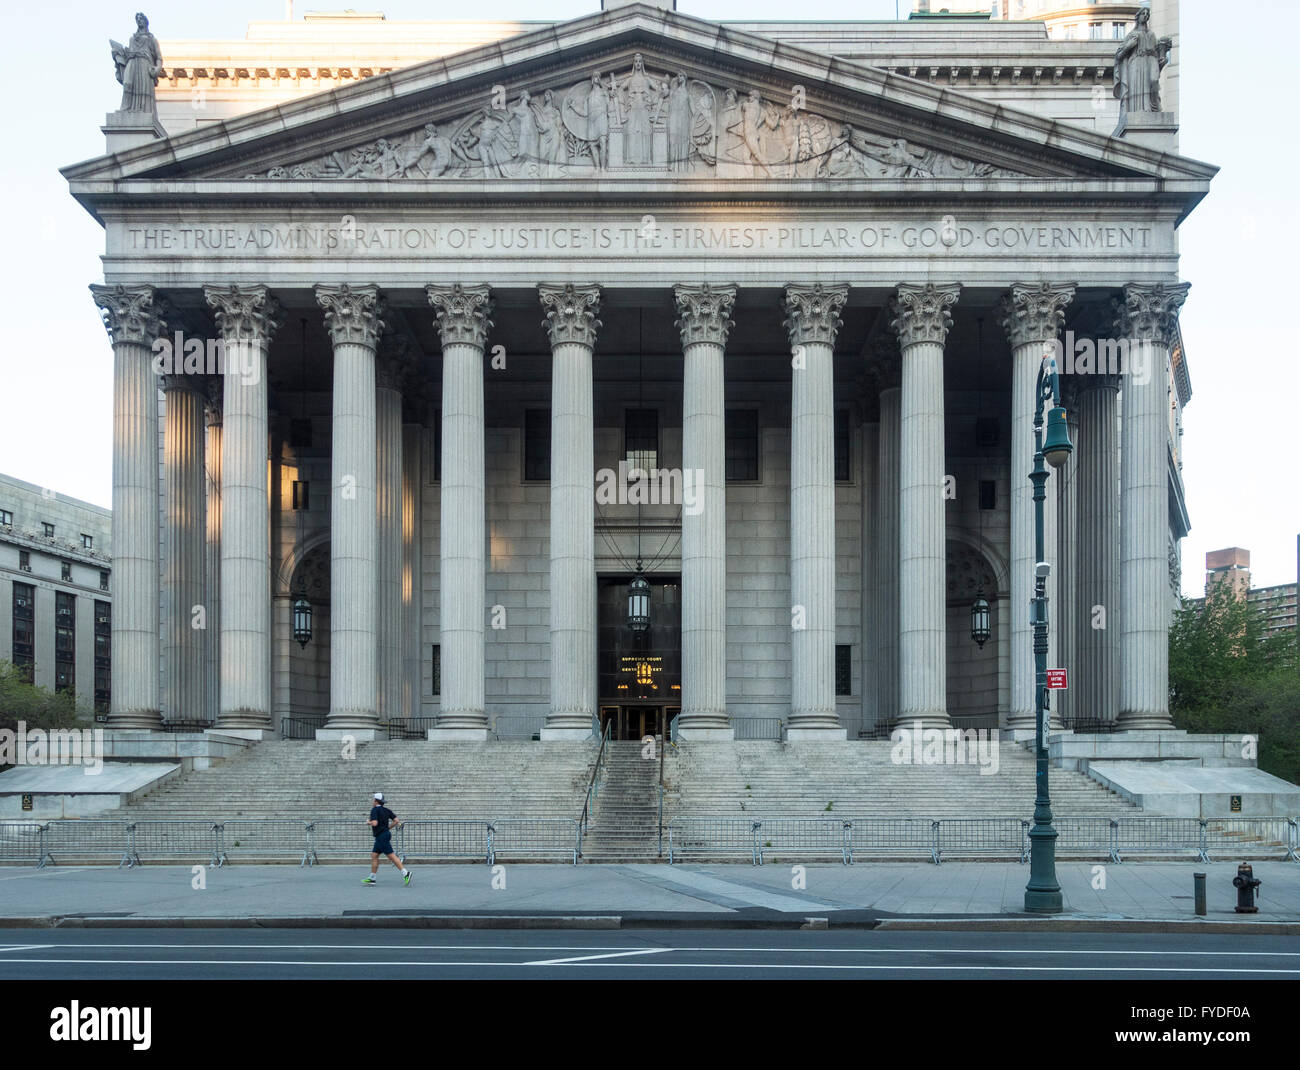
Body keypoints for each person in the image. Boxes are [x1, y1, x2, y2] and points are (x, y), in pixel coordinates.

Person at [363, 792, 411, 886]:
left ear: (376, 801)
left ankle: (406, 873)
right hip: (383, 835)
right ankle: (372, 878)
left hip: (381, 836)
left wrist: (368, 822)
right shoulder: (387, 810)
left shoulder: (374, 810)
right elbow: (396, 820)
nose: (373, 801)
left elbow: (375, 823)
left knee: (392, 856)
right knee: (374, 855)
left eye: (374, 800)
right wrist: (388, 828)